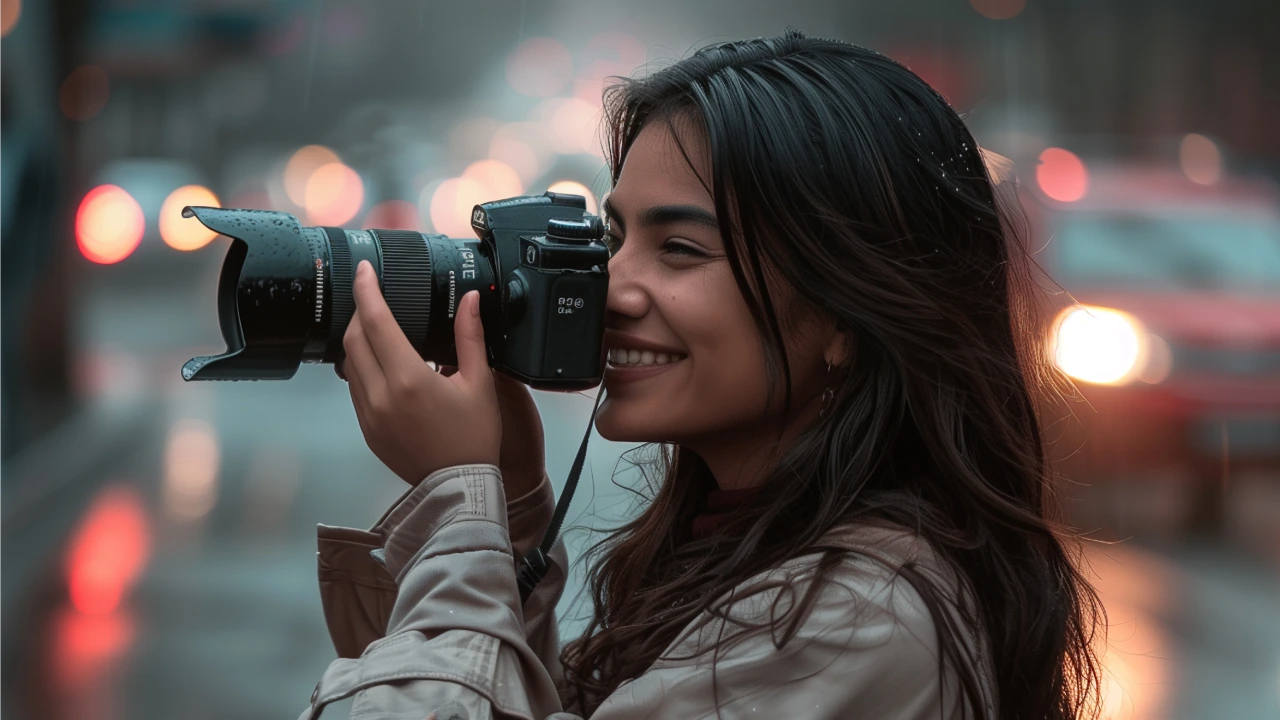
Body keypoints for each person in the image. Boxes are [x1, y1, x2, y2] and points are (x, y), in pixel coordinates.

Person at [300, 30, 1106, 720]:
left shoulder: (858, 617)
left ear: (846, 317)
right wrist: (507, 509)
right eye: (612, 240)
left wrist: (455, 504)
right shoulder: (750, 552)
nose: (611, 288)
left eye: (680, 249)